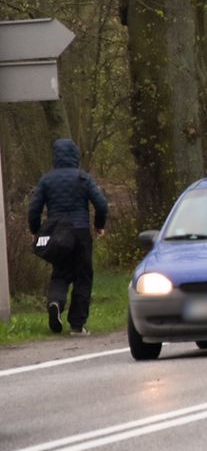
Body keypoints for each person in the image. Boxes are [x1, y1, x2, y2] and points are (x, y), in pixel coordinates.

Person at [27, 138, 109, 335]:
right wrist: (99, 225)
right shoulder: (83, 178)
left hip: (57, 233)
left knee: (60, 273)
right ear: (75, 156)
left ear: (55, 157)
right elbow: (102, 204)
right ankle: (77, 325)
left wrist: (36, 230)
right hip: (80, 232)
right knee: (83, 276)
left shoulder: (46, 180)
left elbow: (34, 209)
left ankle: (55, 302)